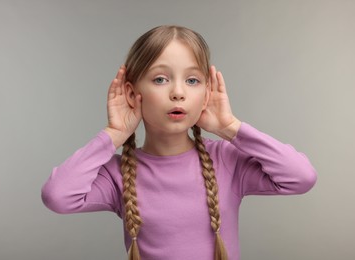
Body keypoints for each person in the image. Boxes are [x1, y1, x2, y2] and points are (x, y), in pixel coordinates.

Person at [41, 25, 317, 260]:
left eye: (193, 80)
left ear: (207, 93)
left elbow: (300, 177)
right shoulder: (119, 173)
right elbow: (58, 196)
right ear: (132, 92)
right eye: (160, 79)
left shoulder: (226, 160)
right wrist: (114, 133)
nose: (178, 92)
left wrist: (230, 127)